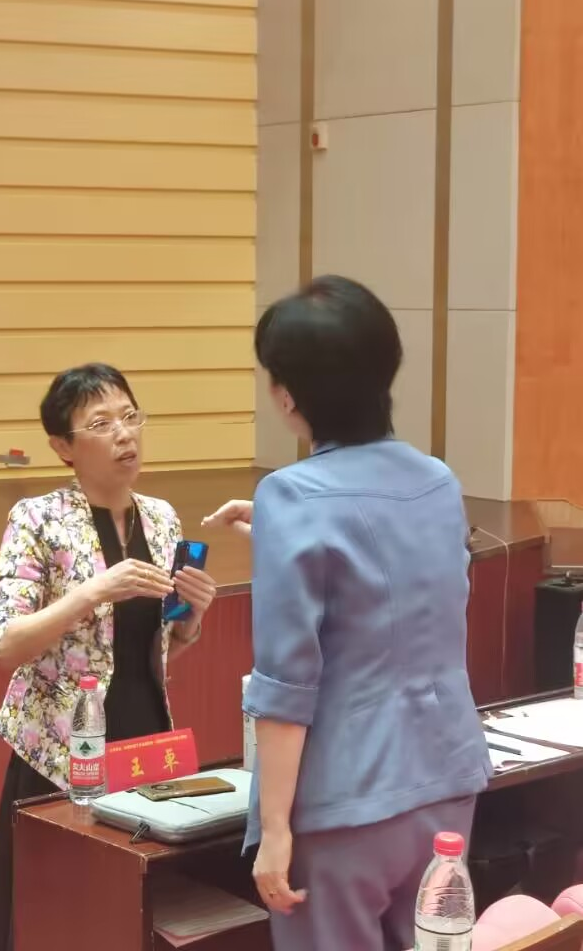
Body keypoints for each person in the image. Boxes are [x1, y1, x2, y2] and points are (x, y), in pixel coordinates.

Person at [203, 276, 492, 951]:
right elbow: (402, 591)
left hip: (345, 799)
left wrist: (275, 829)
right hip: (446, 781)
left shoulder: (291, 495)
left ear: (287, 395)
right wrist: (279, 537)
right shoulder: (438, 480)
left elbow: (286, 682)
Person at [0, 363, 216, 951]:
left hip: (144, 735)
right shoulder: (36, 519)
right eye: (101, 423)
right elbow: (5, 644)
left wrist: (193, 615)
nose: (124, 434)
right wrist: (89, 593)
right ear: (64, 446)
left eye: (130, 417)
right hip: (59, 747)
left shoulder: (161, 518)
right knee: (50, 905)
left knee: (132, 900)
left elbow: (162, 644)